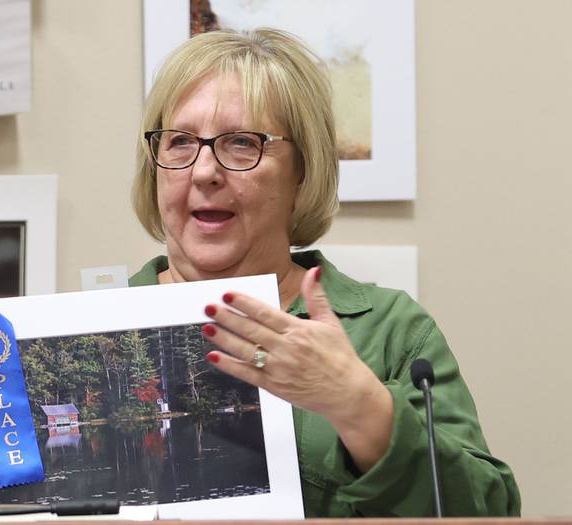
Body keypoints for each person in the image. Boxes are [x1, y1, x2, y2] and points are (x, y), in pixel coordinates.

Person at [128, 28, 520, 517]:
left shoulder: (390, 330)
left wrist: (363, 409)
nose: (204, 171)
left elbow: (489, 513)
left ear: (303, 172)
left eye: (242, 143)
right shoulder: (77, 330)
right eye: (180, 141)